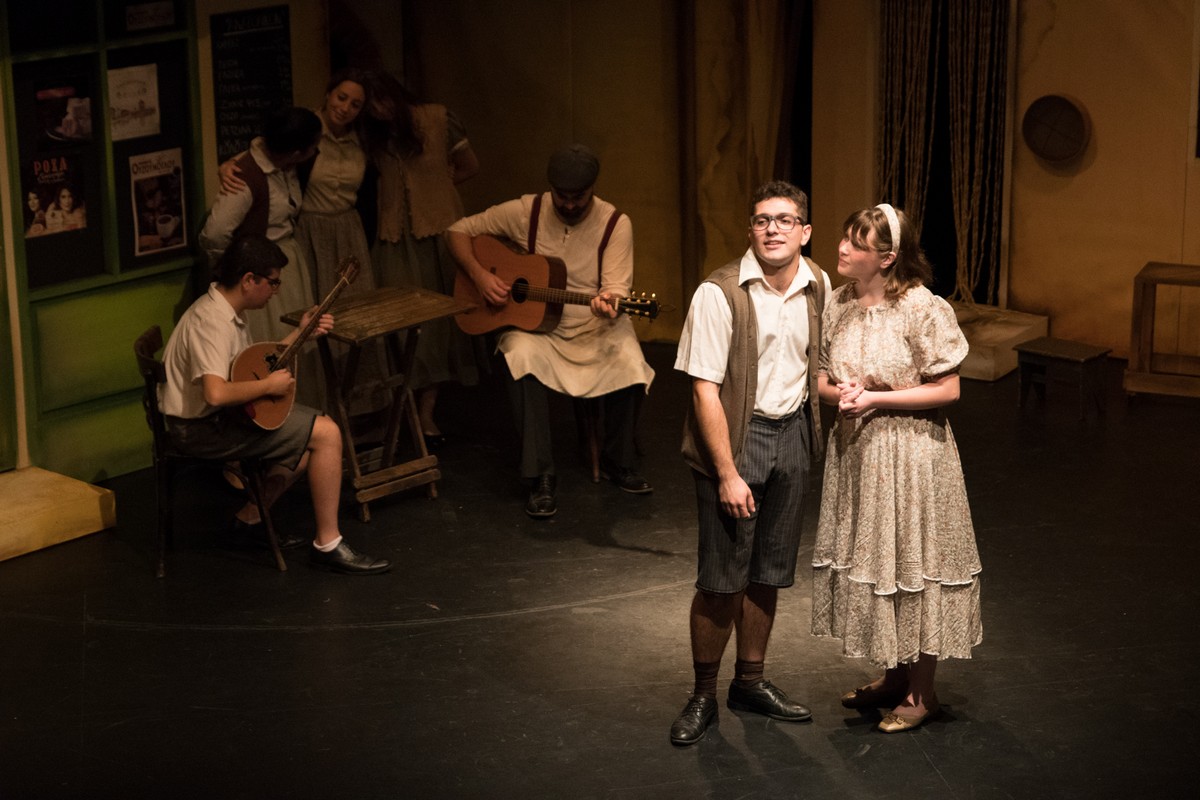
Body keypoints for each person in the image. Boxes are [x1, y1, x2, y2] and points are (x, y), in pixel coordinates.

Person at [811, 203, 982, 733]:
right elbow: (820, 377)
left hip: (911, 457)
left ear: (886, 258)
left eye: (856, 243)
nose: (842, 248)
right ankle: (893, 676)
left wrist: (877, 400)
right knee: (880, 562)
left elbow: (948, 389)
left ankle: (922, 692)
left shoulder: (921, 307)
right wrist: (842, 393)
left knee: (913, 563)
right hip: (859, 455)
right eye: (845, 237)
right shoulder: (839, 303)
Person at [670, 180, 830, 746]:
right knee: (721, 581)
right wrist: (728, 473)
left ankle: (750, 682)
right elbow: (704, 390)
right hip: (739, 440)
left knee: (768, 574)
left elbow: (815, 368)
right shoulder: (719, 293)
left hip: (793, 438)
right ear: (750, 230)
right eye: (762, 220)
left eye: (784, 220)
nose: (772, 229)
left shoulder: (817, 284)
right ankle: (702, 695)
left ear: (804, 232)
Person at [159, 234, 391, 575]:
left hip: (215, 419)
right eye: (273, 282)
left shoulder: (224, 310)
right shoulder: (212, 323)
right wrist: (268, 386)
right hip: (202, 429)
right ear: (248, 280)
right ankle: (328, 544)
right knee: (327, 434)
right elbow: (216, 394)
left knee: (308, 443)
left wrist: (303, 332)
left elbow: (250, 367)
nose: (276, 290)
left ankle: (250, 518)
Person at [446, 144, 654, 518]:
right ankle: (540, 475)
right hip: (538, 328)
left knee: (631, 360)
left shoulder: (614, 223)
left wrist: (609, 301)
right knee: (518, 353)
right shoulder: (527, 210)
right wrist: (479, 277)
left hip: (593, 324)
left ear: (593, 189)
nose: (570, 205)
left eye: (579, 197)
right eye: (562, 196)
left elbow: (615, 288)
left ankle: (617, 460)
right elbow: (458, 231)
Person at [220, 70, 389, 415]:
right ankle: (317, 405)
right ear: (328, 94)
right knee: (315, 320)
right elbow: (266, 151)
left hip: (348, 231)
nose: (345, 108)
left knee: (355, 318)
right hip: (310, 233)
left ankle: (359, 407)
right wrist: (228, 165)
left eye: (355, 104)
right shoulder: (306, 131)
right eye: (341, 97)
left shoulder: (362, 139)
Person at [363, 71, 482, 448]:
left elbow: (469, 165)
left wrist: (438, 189)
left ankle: (427, 413)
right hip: (393, 238)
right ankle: (402, 411)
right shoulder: (371, 135)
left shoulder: (437, 118)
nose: (377, 109)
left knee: (438, 329)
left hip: (438, 234)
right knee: (399, 326)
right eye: (370, 104)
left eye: (381, 99)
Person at [200, 106, 322, 407]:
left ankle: (301, 413)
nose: (315, 151)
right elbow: (214, 234)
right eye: (312, 147)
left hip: (288, 261)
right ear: (296, 152)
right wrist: (236, 266)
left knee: (297, 343)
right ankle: (274, 415)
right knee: (272, 344)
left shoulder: (288, 165)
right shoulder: (245, 176)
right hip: (263, 270)